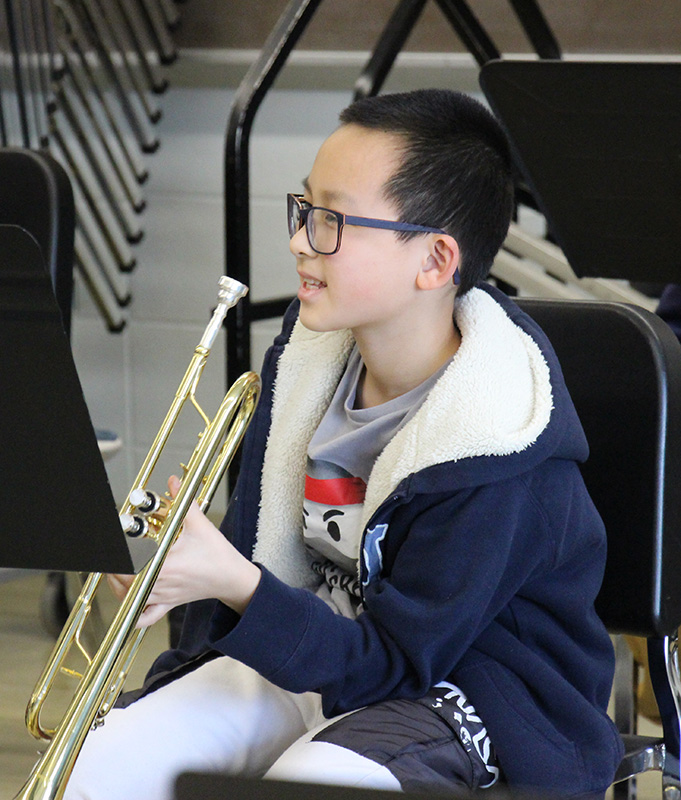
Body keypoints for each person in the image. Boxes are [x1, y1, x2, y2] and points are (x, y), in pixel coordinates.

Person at [65, 88, 623, 800]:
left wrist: (233, 583)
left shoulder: (497, 442)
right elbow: (263, 566)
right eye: (302, 210)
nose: (300, 240)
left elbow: (395, 663)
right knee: (102, 767)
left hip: (469, 688)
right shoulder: (307, 369)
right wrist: (177, 570)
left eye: (330, 221)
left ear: (434, 260)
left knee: (309, 787)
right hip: (326, 653)